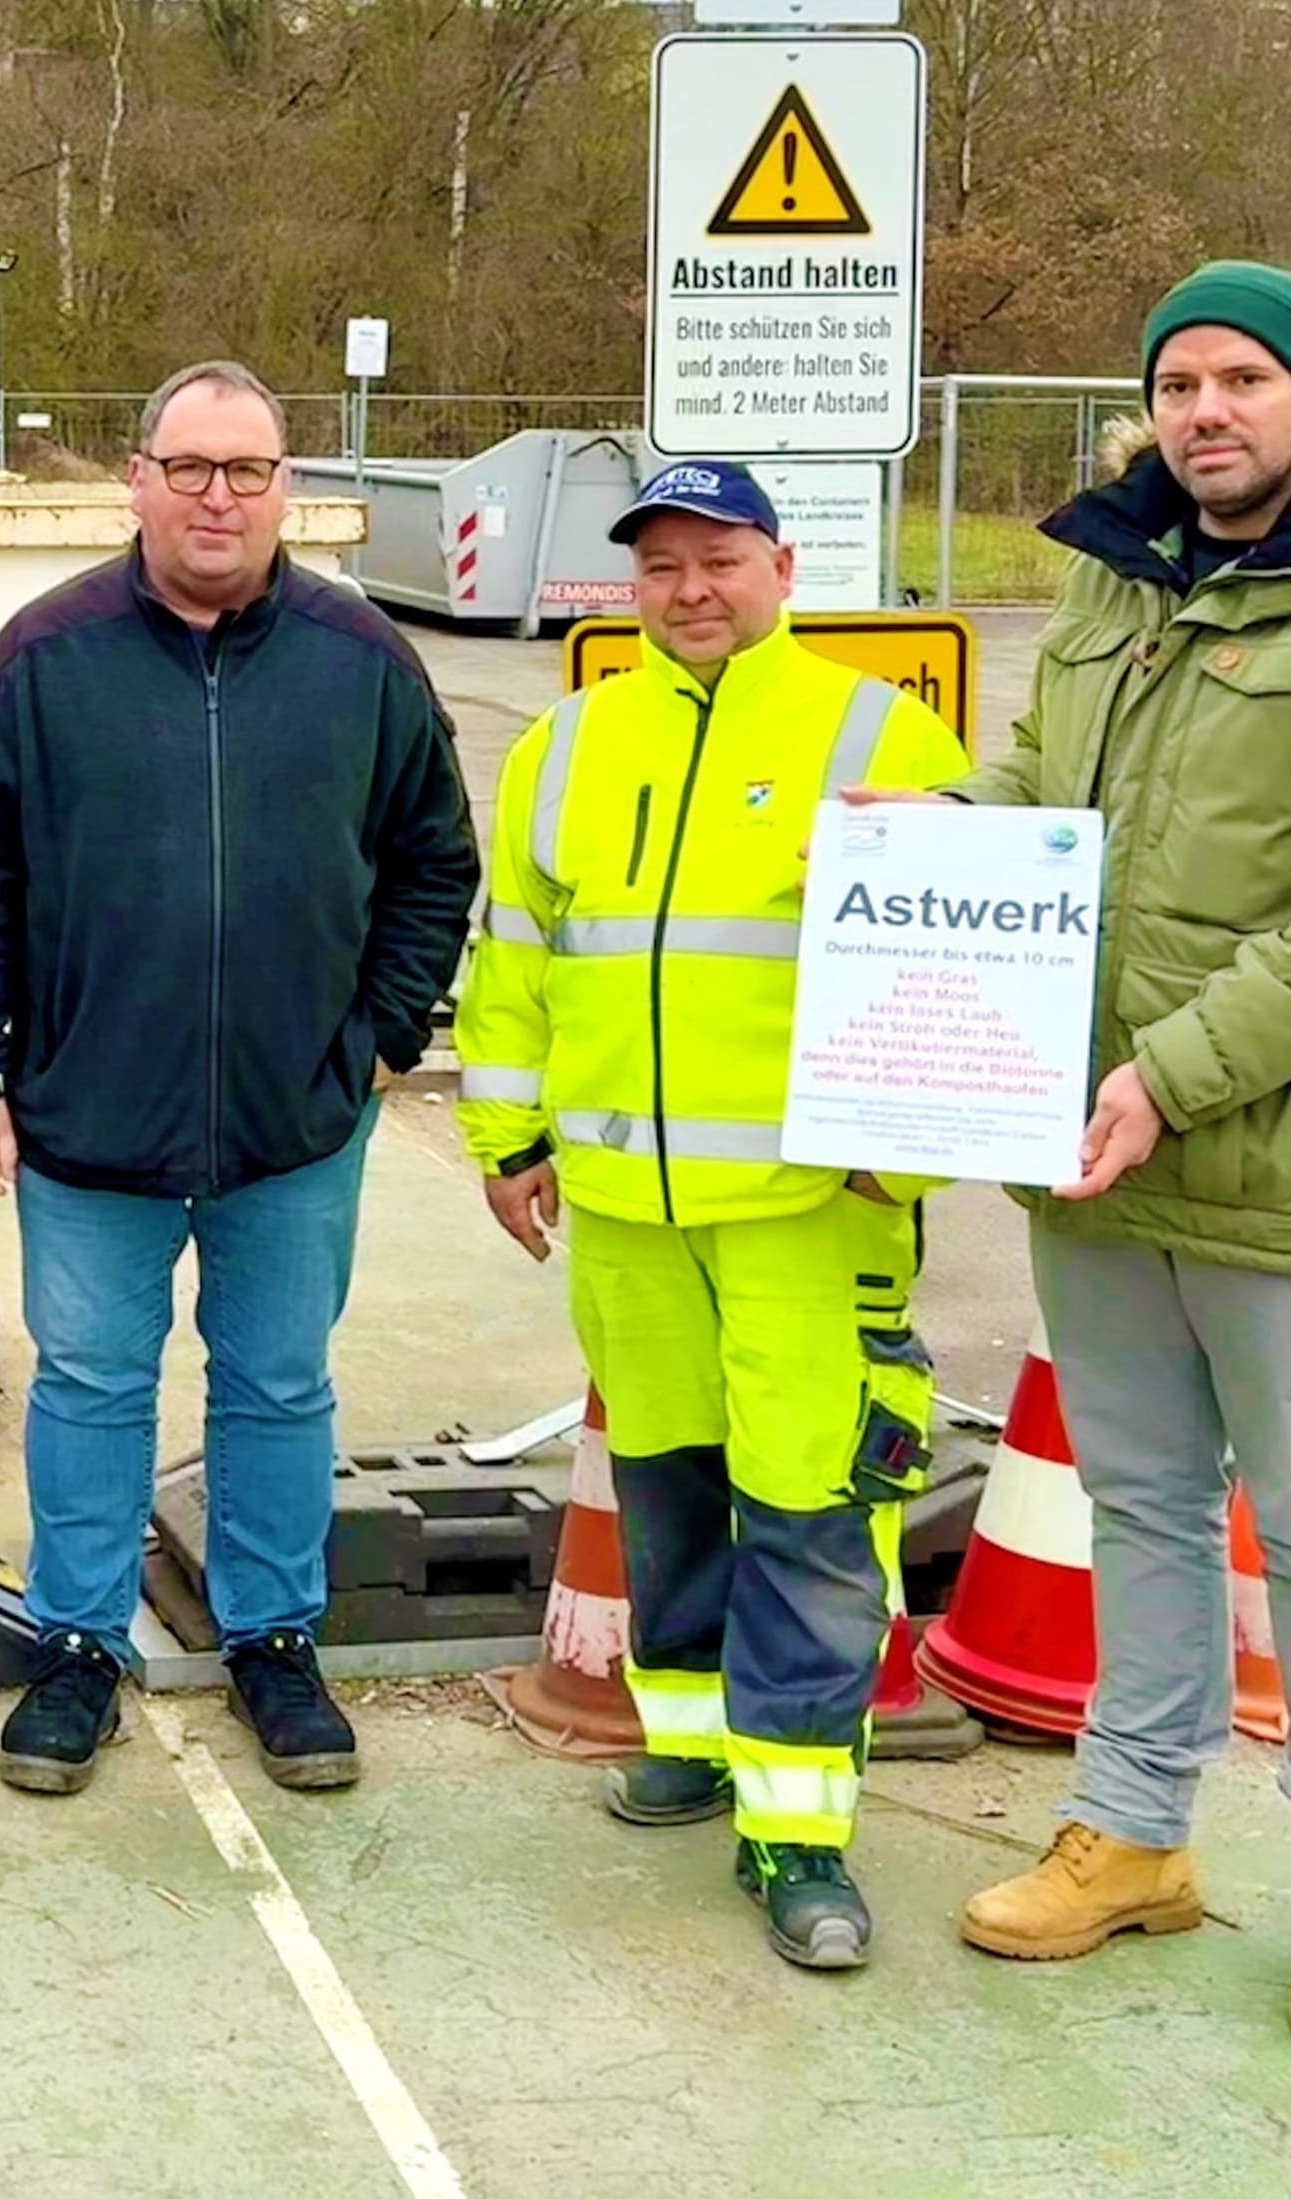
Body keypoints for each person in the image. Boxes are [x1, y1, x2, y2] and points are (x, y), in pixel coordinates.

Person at [924, 267, 1291, 2062]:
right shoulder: (1114, 577)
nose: (1205, 410)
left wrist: (1171, 1074)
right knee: (1142, 1504)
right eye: (1178, 380)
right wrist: (927, 860)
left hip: (1281, 1168)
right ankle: (1137, 1831)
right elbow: (1036, 793)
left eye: (1243, 378)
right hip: (1094, 1157)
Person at [0, 362, 480, 1800]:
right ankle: (76, 1645)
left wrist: (378, 1034)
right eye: (190, 467)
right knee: (95, 1382)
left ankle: (273, 1637)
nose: (218, 495)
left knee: (279, 1381)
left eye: (247, 468)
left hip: (294, 1118)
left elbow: (435, 860)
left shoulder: (361, 661)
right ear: (137, 477)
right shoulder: (43, 659)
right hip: (87, 1111)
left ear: (289, 485)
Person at [453, 458, 972, 1971]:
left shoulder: (880, 730)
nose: (689, 588)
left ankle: (799, 1830)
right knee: (672, 1494)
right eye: (661, 563)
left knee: (814, 1512)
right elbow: (516, 961)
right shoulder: (568, 742)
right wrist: (508, 1133)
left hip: (814, 1214)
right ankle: (691, 1742)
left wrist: (915, 1151)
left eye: (719, 558)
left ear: (783, 567)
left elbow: (961, 963)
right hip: (625, 1207)